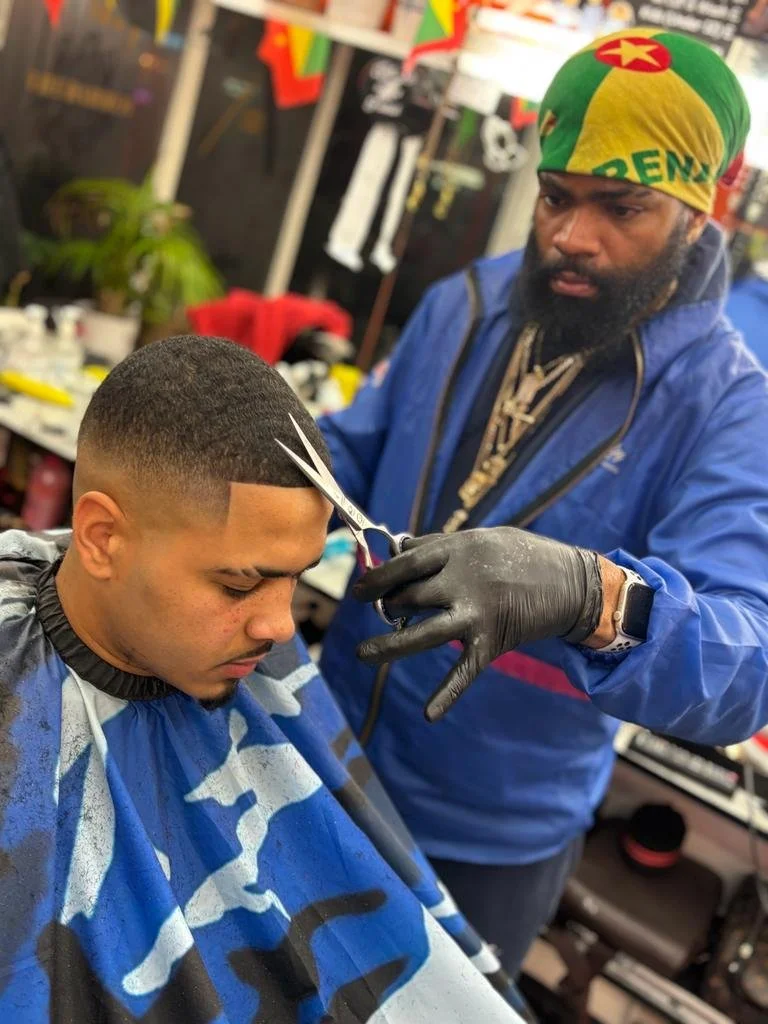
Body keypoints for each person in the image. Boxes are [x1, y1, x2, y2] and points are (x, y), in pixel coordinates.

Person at [318, 28, 768, 976]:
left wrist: (583, 593)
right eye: (556, 197)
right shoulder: (468, 303)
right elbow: (354, 458)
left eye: (623, 207)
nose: (571, 235)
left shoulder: (730, 403)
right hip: (328, 750)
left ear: (700, 208)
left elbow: (746, 663)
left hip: (487, 839)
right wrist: (271, 451)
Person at [0, 336, 528, 1023]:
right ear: (101, 538)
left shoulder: (248, 656)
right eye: (240, 583)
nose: (281, 626)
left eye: (297, 576)